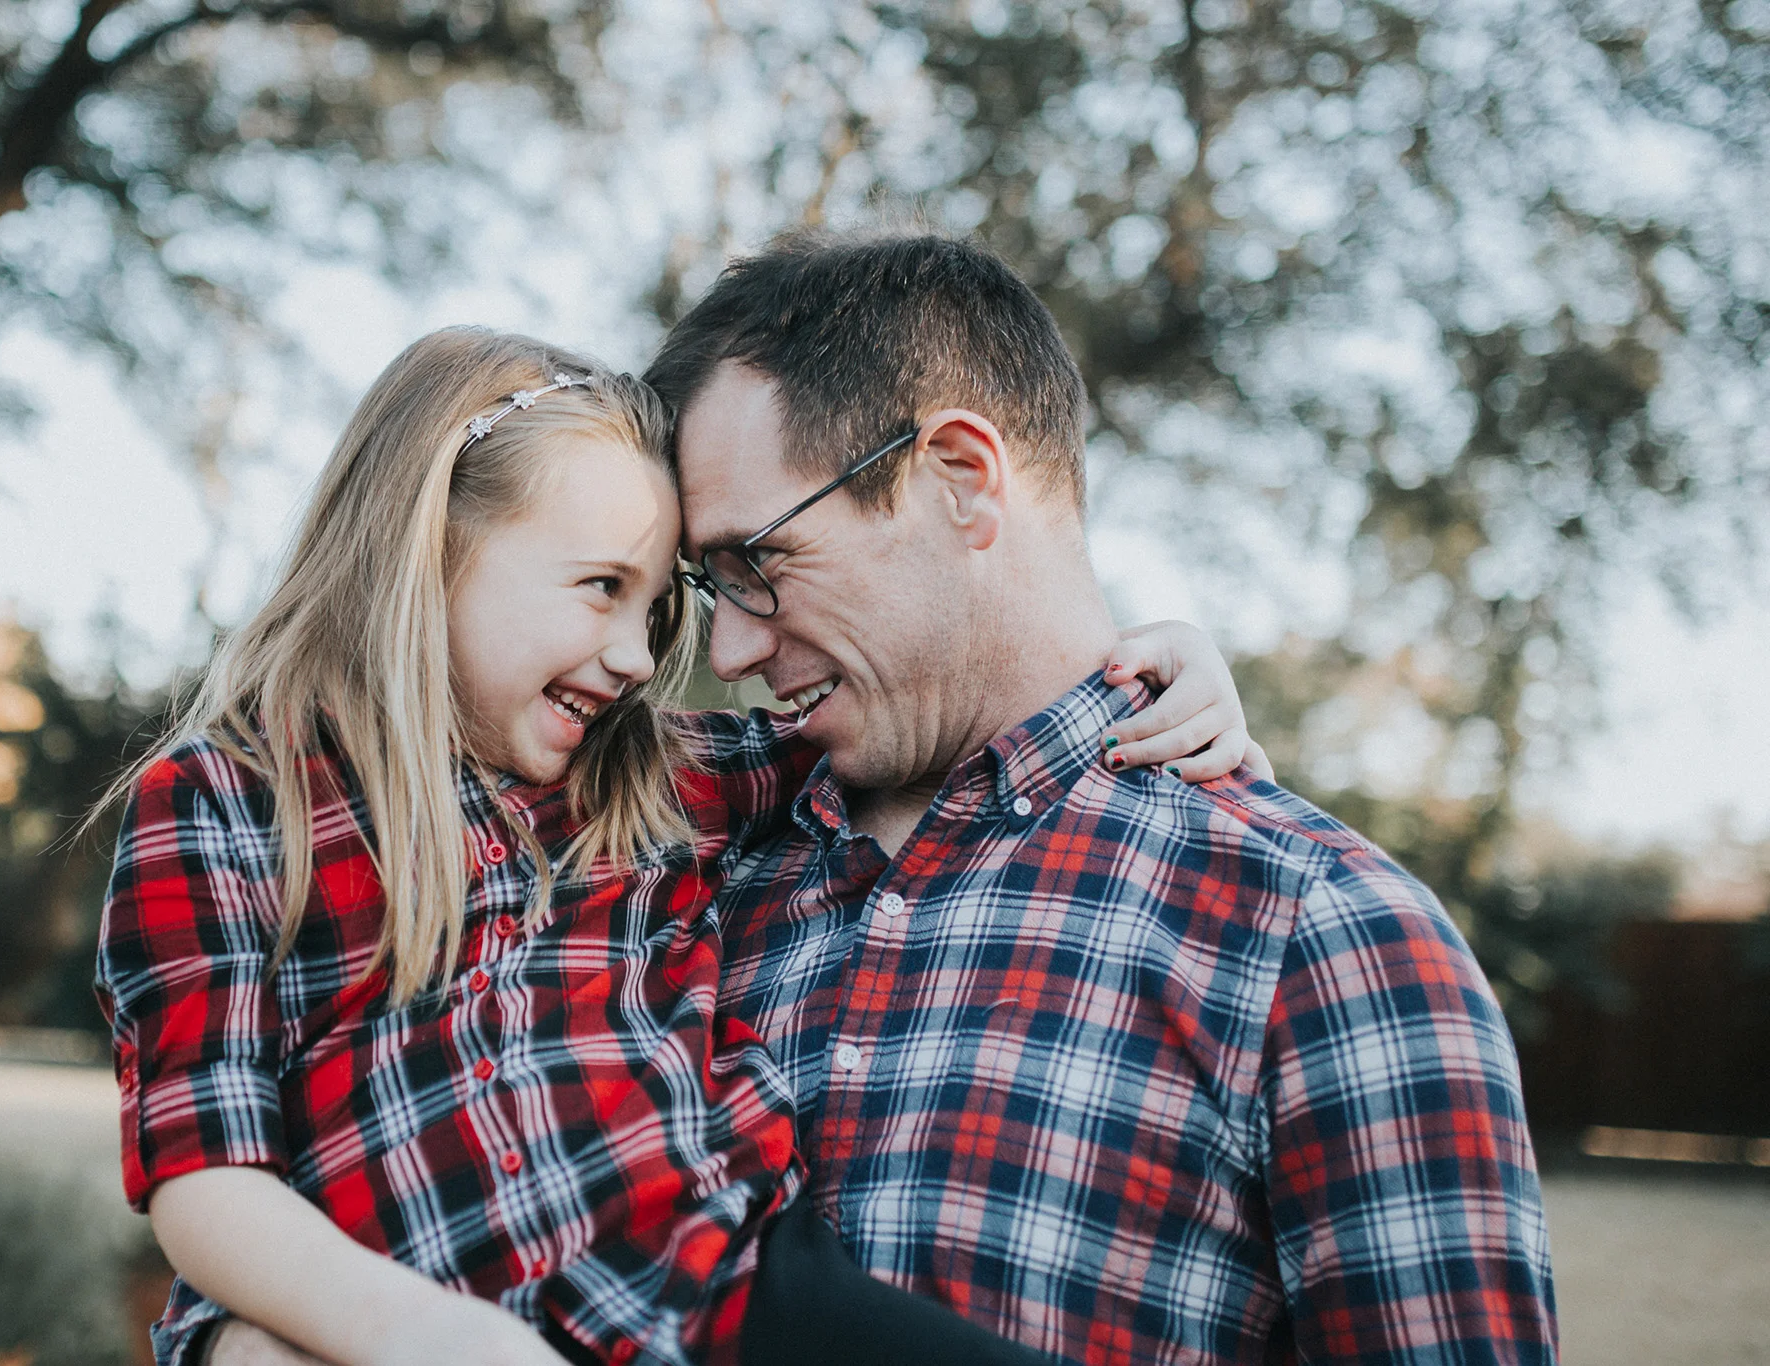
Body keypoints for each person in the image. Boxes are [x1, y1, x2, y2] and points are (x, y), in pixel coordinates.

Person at [94, 327, 1261, 1366]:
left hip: (738, 1300)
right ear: (430, 545)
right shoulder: (225, 804)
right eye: (600, 587)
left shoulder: (649, 774)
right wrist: (422, 1335)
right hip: (437, 1318)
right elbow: (205, 1172)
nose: (638, 657)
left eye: (653, 608)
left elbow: (914, 706)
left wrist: (1143, 667)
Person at [644, 230, 1560, 1365]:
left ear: (959, 478)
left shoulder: (1323, 938)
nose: (728, 650)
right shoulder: (667, 868)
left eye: (761, 565)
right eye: (711, 586)